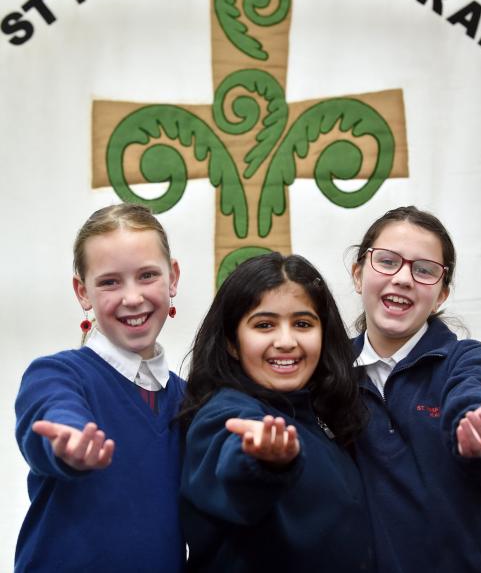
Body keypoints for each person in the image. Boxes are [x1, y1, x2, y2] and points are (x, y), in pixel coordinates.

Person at [178, 252, 376, 573]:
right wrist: (263, 461)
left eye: (302, 323)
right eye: (265, 325)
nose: (286, 341)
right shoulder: (225, 414)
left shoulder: (318, 413)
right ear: (232, 342)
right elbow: (234, 465)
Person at [15, 204, 185, 572]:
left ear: (172, 278)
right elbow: (54, 410)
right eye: (110, 282)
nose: (132, 298)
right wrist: (68, 440)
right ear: (83, 292)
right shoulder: (57, 373)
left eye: (147, 276)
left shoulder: (187, 398)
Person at [351, 205, 481, 573]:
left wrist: (477, 420)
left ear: (442, 295)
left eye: (424, 270)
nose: (403, 278)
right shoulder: (326, 374)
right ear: (357, 274)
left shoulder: (466, 360)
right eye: (387, 261)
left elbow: (472, 391)